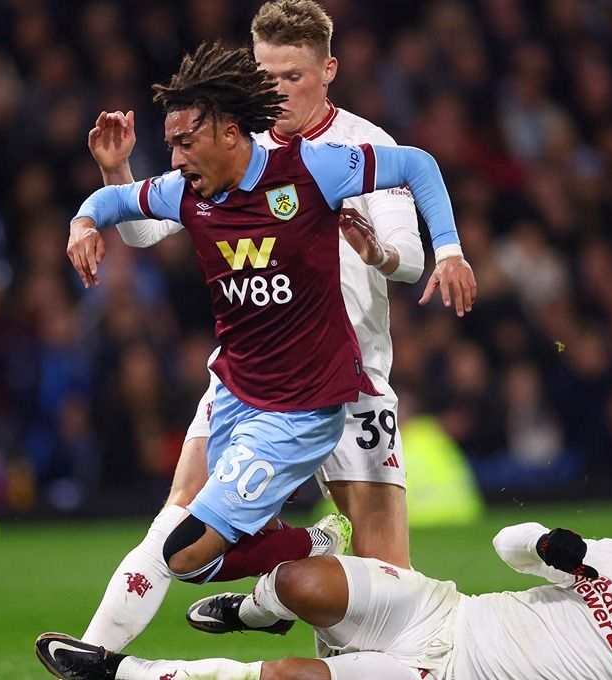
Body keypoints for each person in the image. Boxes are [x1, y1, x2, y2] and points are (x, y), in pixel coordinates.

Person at [75, 0, 475, 654]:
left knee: (384, 586)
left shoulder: (363, 146)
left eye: (292, 76)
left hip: (350, 384)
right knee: (177, 520)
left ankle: (273, 605)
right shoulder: (235, 142)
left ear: (328, 71)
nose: (277, 89)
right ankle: (94, 657)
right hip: (250, 377)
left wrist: (379, 252)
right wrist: (116, 175)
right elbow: (150, 229)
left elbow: (408, 260)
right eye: (266, 74)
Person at [35, 507, 612, 680]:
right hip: (444, 609)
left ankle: (119, 675)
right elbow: (508, 544)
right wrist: (558, 547)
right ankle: (252, 611)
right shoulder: (608, 560)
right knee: (303, 582)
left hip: (446, 676)